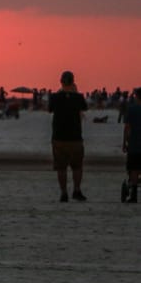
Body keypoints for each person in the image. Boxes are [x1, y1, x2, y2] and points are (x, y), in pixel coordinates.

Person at [49, 70, 88, 202]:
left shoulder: (55, 97)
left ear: (61, 81)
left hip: (59, 136)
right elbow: (84, 108)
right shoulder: (78, 97)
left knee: (61, 167)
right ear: (73, 82)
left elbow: (50, 109)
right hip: (75, 137)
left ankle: (64, 192)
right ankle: (76, 190)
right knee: (77, 166)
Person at [122, 88, 141, 203]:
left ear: (136, 96)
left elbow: (127, 127)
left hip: (135, 143)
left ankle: (133, 195)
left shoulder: (132, 109)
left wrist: (124, 143)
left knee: (133, 169)